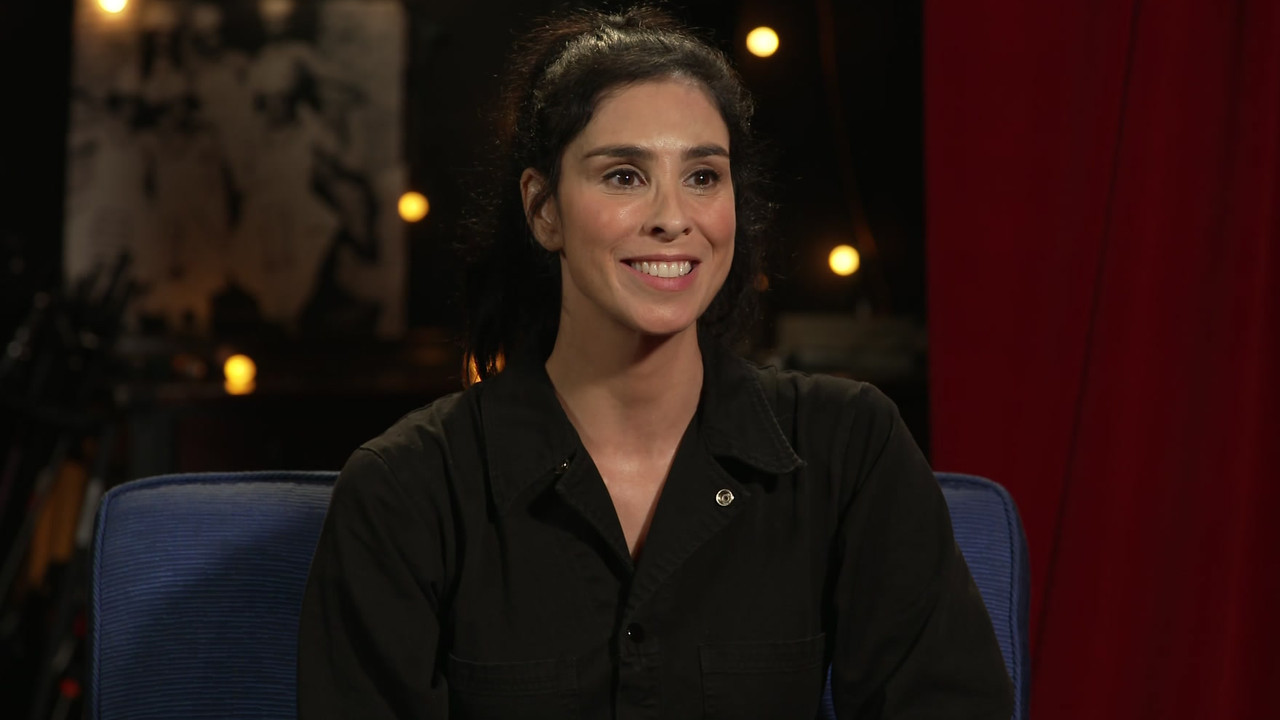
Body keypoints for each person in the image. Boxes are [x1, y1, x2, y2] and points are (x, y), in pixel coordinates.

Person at [298, 7, 1014, 719]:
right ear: (544, 210)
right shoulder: (407, 489)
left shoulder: (849, 446)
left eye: (703, 176)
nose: (674, 217)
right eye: (624, 176)